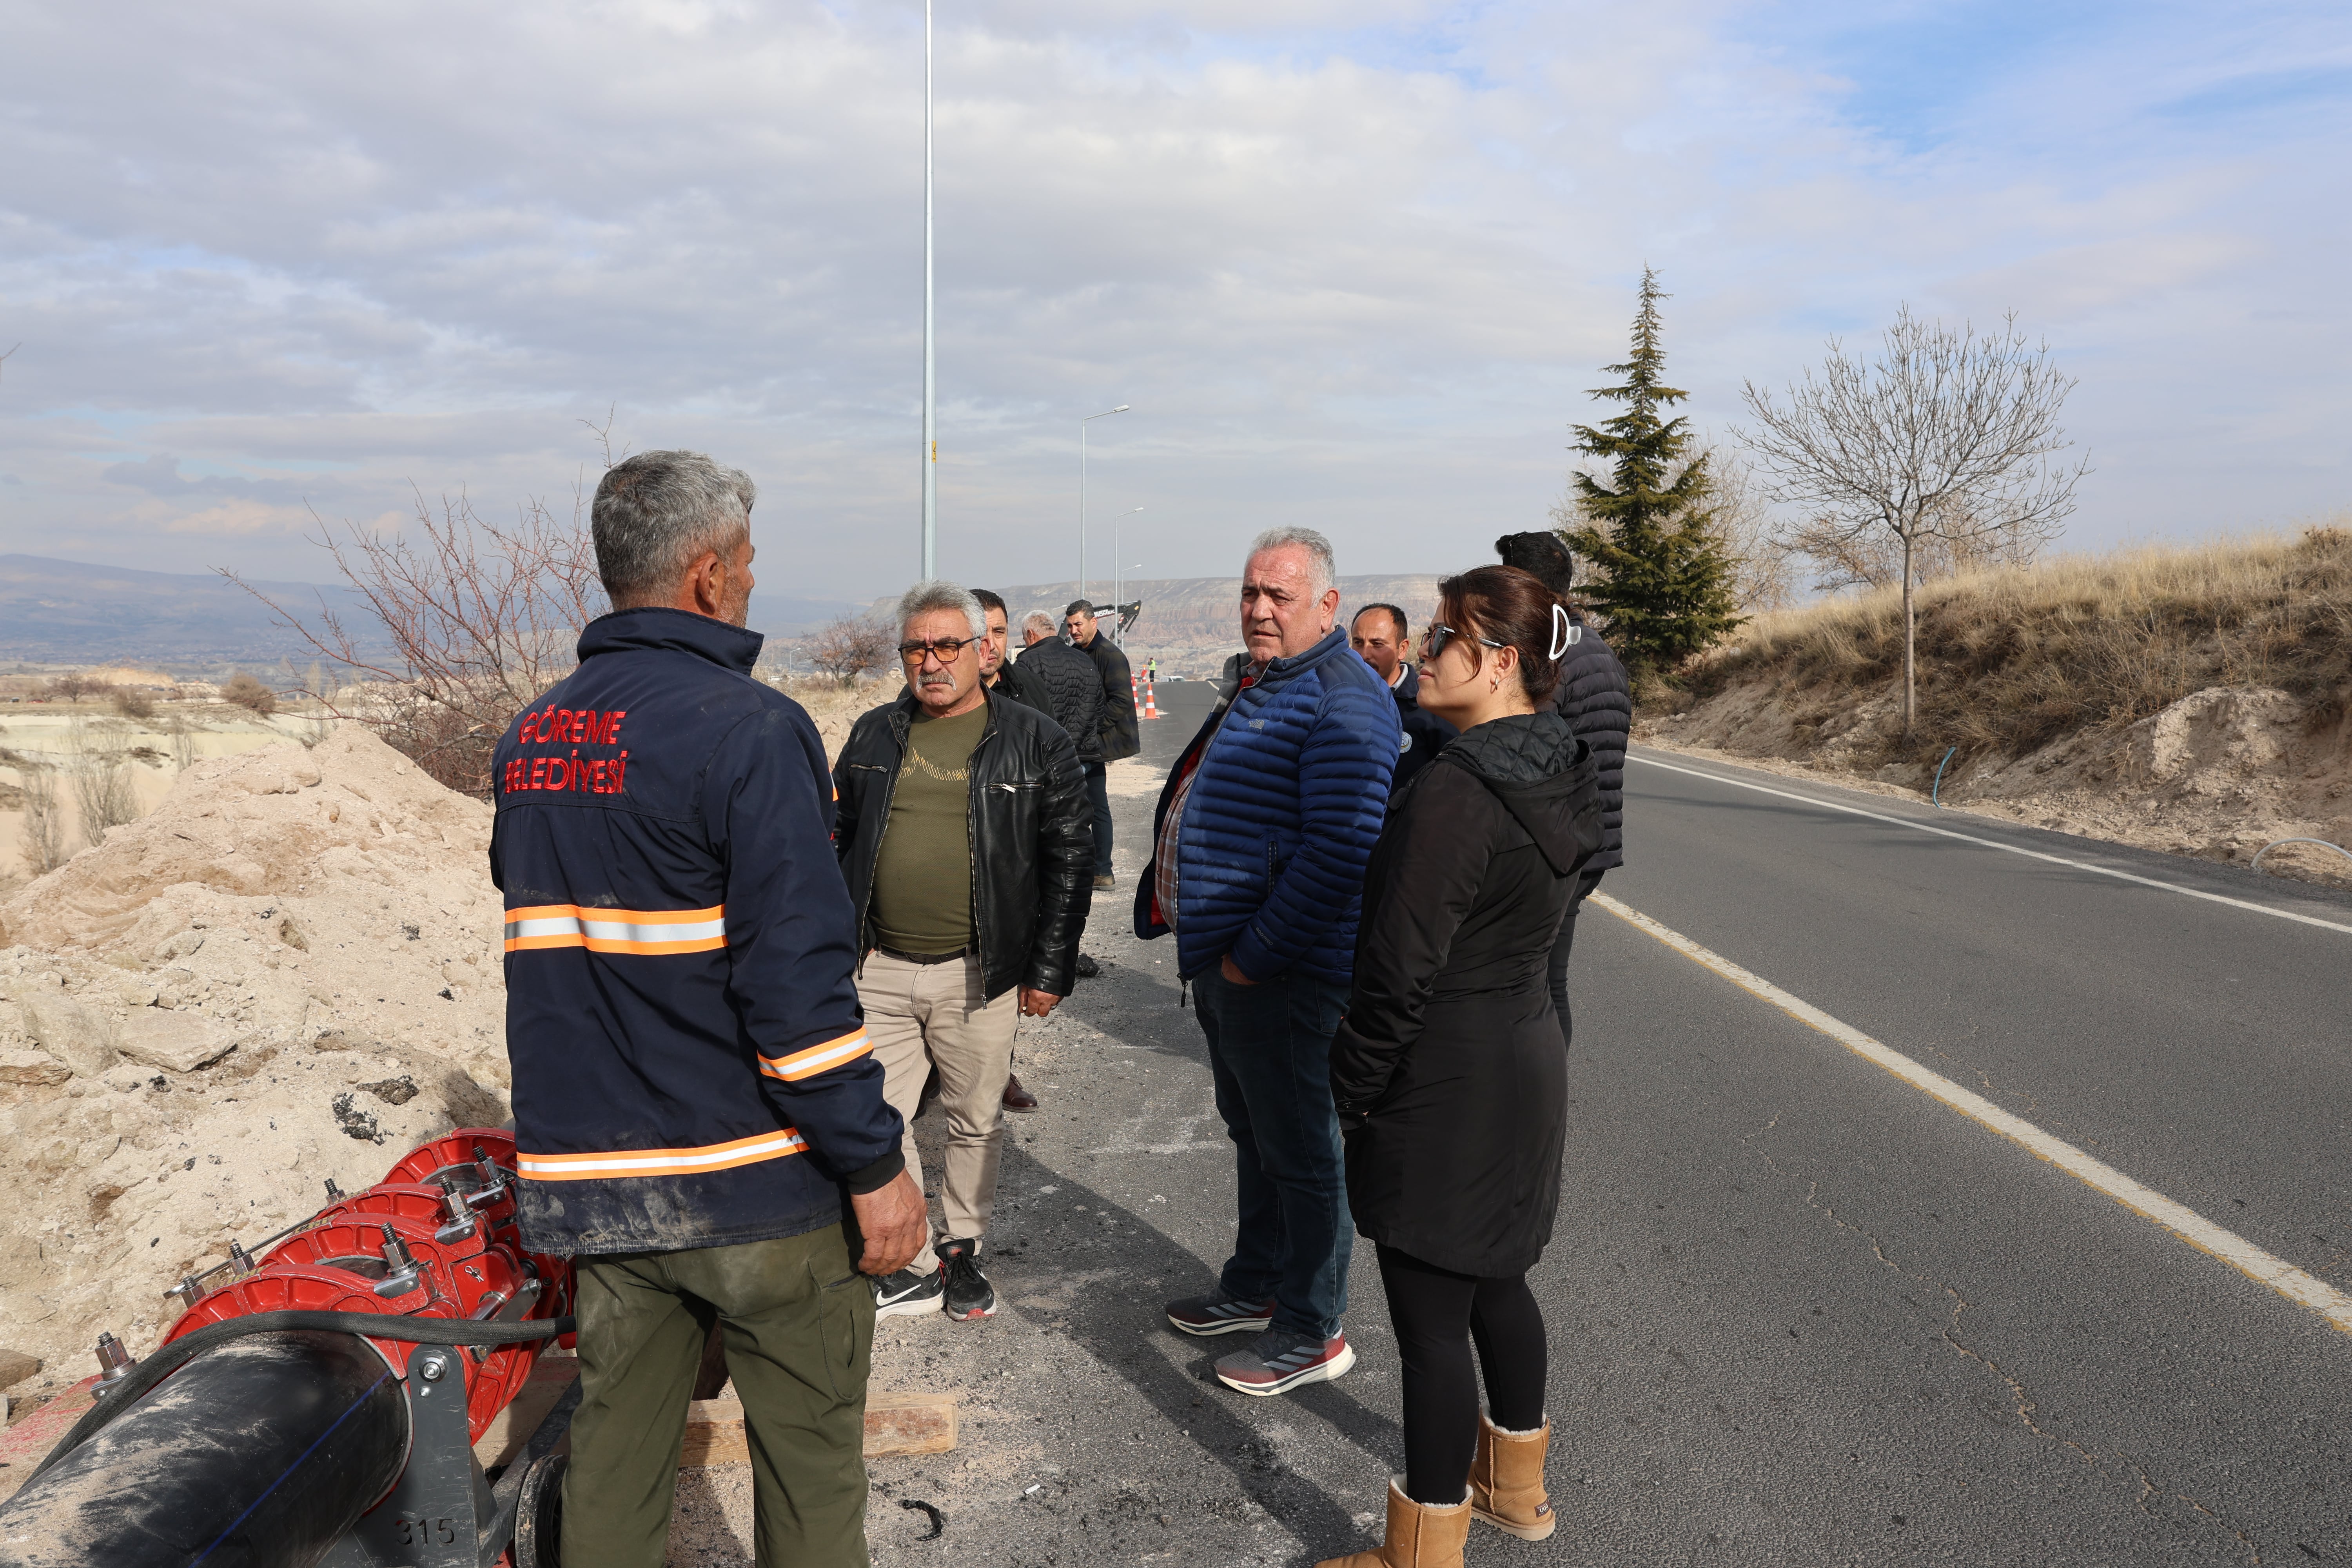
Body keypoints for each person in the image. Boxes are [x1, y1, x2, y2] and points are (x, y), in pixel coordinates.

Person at [490, 450, 924, 1568]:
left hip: (601, 1195)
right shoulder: (750, 730)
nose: (747, 582)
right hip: (758, 1193)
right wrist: (874, 1167)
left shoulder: (532, 740)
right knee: (812, 1479)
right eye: (744, 563)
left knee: (614, 1481)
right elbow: (796, 988)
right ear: (704, 577)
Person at [1320, 566, 1602, 1568]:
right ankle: (1515, 1492)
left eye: (1441, 640)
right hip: (1526, 1052)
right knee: (1497, 1280)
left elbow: (1399, 970)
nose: (1425, 656)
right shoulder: (1562, 762)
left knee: (1432, 1319)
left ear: (1497, 663)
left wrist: (1350, 1088)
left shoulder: (1456, 788)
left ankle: (1421, 1551)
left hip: (1446, 1075)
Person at [1134, 527, 1398, 1396]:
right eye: (1250, 592)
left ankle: (1311, 1325)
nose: (1257, 608)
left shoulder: (1344, 697)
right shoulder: (1268, 680)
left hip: (1284, 972)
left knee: (1303, 1148)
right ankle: (1256, 1284)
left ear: (1327, 605)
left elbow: (1340, 853)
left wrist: (1251, 958)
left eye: (1278, 596)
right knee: (1256, 1131)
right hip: (1227, 961)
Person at [833, 581, 1093, 1323]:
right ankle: (913, 1264)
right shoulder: (874, 734)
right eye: (916, 647)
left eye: (947, 646)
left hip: (980, 972)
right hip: (878, 968)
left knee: (974, 1120)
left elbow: (1069, 860)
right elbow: (842, 839)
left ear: (984, 652)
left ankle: (963, 1248)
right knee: (879, 1118)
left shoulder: (1036, 739)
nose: (931, 661)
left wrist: (1048, 971)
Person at [1493, 532, 1631, 1053]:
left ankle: (1533, 1104)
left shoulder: (1548, 655)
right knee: (1551, 981)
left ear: (1522, 584)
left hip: (1552, 847)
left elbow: (1527, 752)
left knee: (1531, 987)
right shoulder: (1595, 647)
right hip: (1586, 842)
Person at [1016, 609, 1110, 981]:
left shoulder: (1028, 663)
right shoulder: (1084, 661)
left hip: (1046, 762)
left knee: (1042, 842)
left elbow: (1023, 716)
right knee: (1078, 831)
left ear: (1029, 635)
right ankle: (1096, 875)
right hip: (1084, 756)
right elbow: (1099, 708)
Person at [1064, 599, 1139, 891]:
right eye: (1070, 626)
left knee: (1097, 807)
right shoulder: (1073, 653)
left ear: (1094, 622)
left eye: (1078, 625)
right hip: (1078, 742)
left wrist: (1092, 731)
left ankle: (1103, 871)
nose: (1073, 631)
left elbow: (1121, 700)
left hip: (1096, 743)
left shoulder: (1110, 655)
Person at [1350, 602, 1456, 799]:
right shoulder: (1337, 702)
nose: (1365, 654)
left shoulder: (1430, 710)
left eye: (1377, 644)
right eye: (1358, 643)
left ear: (1402, 649)